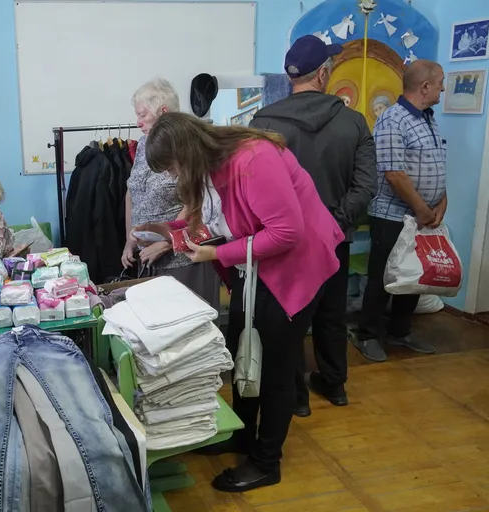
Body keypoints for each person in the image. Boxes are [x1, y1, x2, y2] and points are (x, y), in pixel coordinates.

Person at [134, 112, 344, 492]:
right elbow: (218, 221)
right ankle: (244, 434)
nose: (175, 178)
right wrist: (169, 231)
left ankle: (267, 462)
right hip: (257, 267)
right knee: (242, 350)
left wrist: (217, 255)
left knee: (275, 367)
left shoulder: (253, 159)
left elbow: (287, 233)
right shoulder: (213, 166)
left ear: (188, 152)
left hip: (295, 267)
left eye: (174, 168)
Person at [249, 35, 377, 416]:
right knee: (331, 313)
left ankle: (297, 398)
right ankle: (335, 385)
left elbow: (251, 186)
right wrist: (332, 223)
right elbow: (365, 185)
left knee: (288, 318)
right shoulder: (354, 122)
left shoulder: (263, 122)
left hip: (280, 243)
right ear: (323, 74)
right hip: (333, 238)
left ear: (294, 76)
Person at [355, 60, 446, 362]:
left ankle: (400, 331)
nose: (443, 88)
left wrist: (441, 202)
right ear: (424, 87)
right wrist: (422, 209)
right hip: (392, 214)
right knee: (383, 276)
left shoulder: (428, 118)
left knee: (415, 275)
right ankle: (366, 334)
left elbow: (434, 164)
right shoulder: (393, 120)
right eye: (440, 82)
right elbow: (393, 173)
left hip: (424, 215)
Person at [122, 78, 220, 311]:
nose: (138, 123)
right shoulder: (145, 145)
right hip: (150, 255)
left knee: (189, 322)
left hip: (185, 256)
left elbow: (197, 203)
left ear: (164, 111)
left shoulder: (186, 145)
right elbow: (132, 191)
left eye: (143, 115)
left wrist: (168, 242)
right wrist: (130, 239)